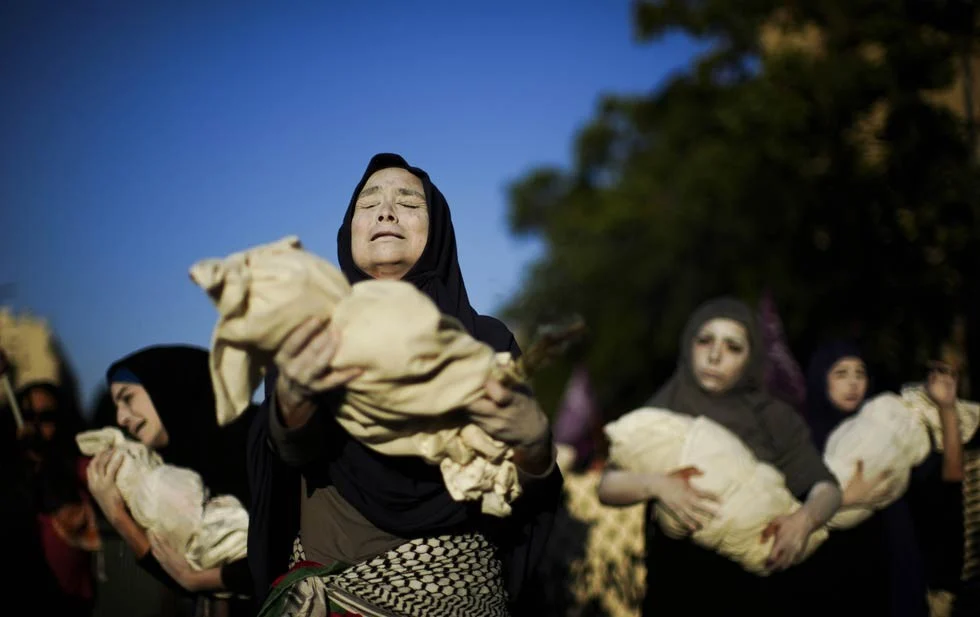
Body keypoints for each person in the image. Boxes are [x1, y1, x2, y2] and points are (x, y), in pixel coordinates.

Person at [246, 153, 562, 617]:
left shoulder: (486, 342)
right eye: (368, 203)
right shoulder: (310, 333)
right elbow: (288, 453)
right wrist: (293, 399)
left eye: (409, 203)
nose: (386, 212)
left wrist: (534, 445)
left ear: (439, 233)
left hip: (457, 599)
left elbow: (521, 490)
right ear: (349, 230)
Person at [597, 297, 842, 617]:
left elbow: (827, 488)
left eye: (733, 347)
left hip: (759, 594)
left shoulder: (773, 417)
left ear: (751, 358)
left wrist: (805, 521)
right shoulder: (664, 409)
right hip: (676, 591)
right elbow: (607, 487)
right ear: (689, 345)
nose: (714, 355)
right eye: (705, 341)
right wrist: (656, 484)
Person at [86, 345, 255, 615]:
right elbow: (180, 575)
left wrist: (197, 579)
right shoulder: (176, 471)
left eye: (127, 398)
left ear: (168, 386)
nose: (121, 418)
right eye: (117, 406)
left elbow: (283, 556)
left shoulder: (253, 440)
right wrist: (116, 513)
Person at [795, 341, 924, 617]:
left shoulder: (883, 432)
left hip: (885, 573)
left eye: (860, 373)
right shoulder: (800, 440)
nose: (853, 383)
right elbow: (782, 510)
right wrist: (846, 498)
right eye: (841, 374)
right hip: (828, 582)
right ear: (821, 379)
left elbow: (941, 479)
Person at [1, 346, 99, 617]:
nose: (33, 426)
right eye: (27, 416)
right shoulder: (8, 474)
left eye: (46, 418)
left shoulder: (77, 469)